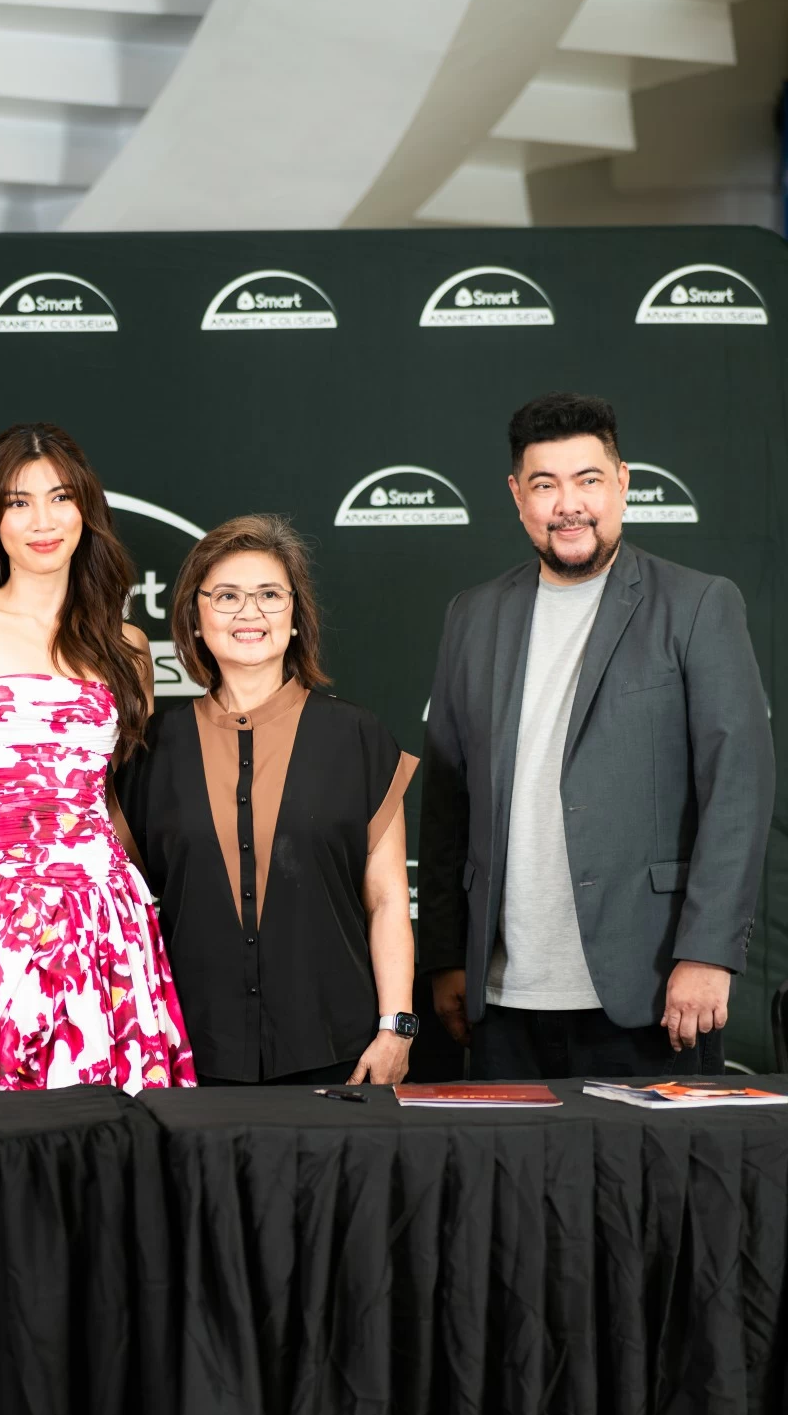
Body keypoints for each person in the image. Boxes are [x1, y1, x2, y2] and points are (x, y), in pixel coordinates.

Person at [419, 391, 775, 1080]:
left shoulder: (699, 605)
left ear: (623, 484)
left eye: (587, 480)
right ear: (518, 496)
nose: (568, 505)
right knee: (509, 1191)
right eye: (546, 485)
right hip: (501, 998)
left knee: (649, 1191)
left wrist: (707, 953)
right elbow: (446, 804)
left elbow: (738, 791)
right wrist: (444, 956)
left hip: (652, 992)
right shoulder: (472, 616)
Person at [0, 421, 194, 1093]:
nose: (42, 520)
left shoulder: (128, 648)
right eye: (19, 502)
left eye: (60, 498)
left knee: (108, 1134)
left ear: (86, 510)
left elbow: (105, 797)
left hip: (103, 917)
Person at [115, 514, 418, 1086]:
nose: (249, 613)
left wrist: (395, 1028)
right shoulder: (150, 748)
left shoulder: (357, 737)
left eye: (269, 595)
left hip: (340, 1054)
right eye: (226, 596)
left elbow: (386, 901)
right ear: (195, 620)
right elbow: (104, 888)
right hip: (188, 1055)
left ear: (296, 618)